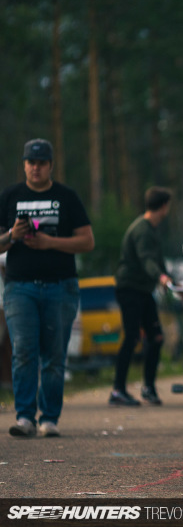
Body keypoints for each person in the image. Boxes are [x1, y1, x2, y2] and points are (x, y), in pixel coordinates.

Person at [0, 138, 95, 437]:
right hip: (19, 288)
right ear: (24, 164)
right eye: (31, 162)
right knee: (23, 352)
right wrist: (12, 235)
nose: (36, 168)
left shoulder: (66, 197)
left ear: (51, 165)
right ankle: (25, 417)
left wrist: (49, 242)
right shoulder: (9, 196)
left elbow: (87, 241)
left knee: (54, 356)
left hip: (60, 287)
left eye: (41, 163)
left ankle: (49, 419)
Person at [109, 186, 172, 407]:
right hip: (129, 289)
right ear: (163, 206)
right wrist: (160, 276)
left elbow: (158, 261)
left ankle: (148, 388)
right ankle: (117, 390)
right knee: (132, 337)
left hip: (143, 291)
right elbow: (147, 260)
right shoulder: (142, 230)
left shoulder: (152, 229)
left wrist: (169, 279)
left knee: (156, 337)